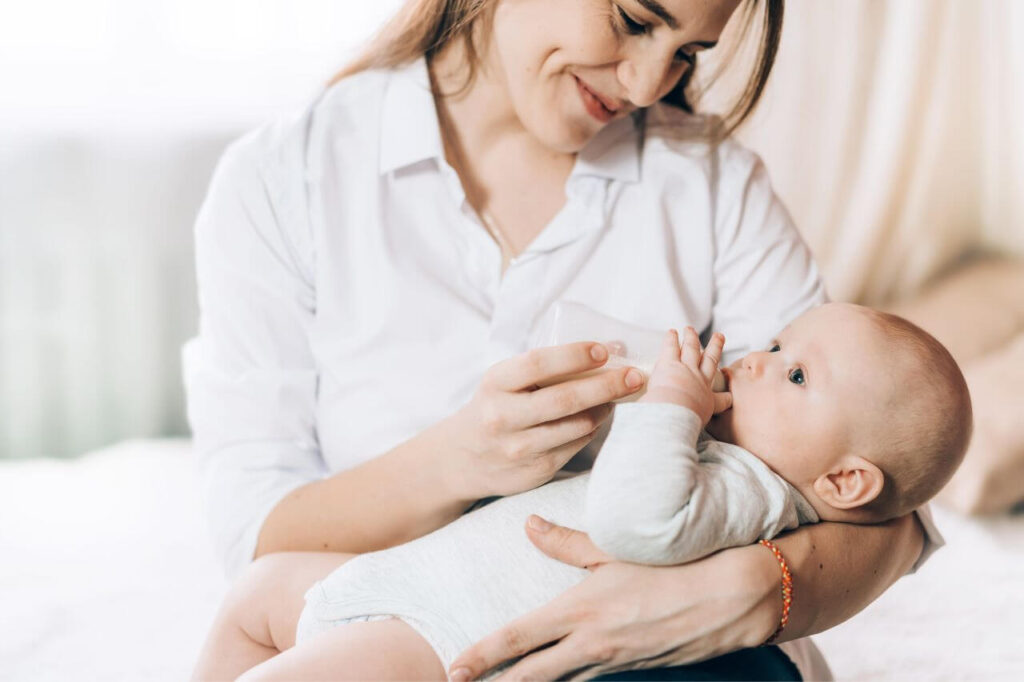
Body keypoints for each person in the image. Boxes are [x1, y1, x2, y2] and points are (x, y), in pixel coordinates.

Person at [184, 1, 941, 679]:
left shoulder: (711, 182)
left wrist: (764, 587)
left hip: (673, 655)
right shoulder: (284, 183)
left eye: (687, 51)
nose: (648, 83)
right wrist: (455, 460)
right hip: (414, 617)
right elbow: (259, 534)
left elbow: (889, 501)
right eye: (636, 20)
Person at [191, 303, 970, 680]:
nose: (758, 360)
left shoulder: (758, 494)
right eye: (775, 344)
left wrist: (670, 401)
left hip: (455, 637)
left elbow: (638, 520)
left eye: (795, 374)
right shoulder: (732, 456)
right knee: (257, 592)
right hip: (417, 579)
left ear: (843, 480)